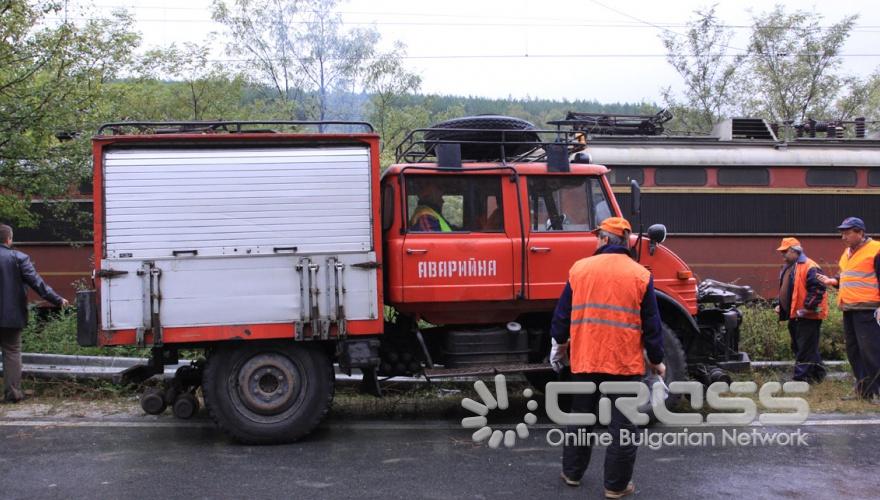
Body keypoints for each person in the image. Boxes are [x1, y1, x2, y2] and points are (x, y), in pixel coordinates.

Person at [550, 217, 665, 499]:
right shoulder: (640, 275)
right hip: (623, 363)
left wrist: (560, 345)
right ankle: (615, 487)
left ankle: (572, 474)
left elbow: (562, 315)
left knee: (580, 418)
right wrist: (657, 360)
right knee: (623, 425)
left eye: (597, 237)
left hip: (586, 359)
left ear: (603, 239)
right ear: (624, 241)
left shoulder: (579, 269)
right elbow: (652, 325)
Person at [0, 224, 68, 403]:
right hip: (10, 316)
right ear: (9, 239)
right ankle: (13, 394)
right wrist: (58, 300)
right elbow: (38, 284)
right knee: (11, 352)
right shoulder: (19, 258)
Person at [817, 217, 880, 403]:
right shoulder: (847, 252)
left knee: (872, 351)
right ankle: (865, 391)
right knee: (854, 351)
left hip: (869, 309)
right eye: (842, 232)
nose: (843, 236)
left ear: (860, 233)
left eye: (847, 232)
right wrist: (834, 281)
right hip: (849, 308)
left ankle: (877, 392)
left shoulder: (876, 250)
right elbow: (845, 276)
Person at [774, 237, 828, 384]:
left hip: (808, 315)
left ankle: (799, 380)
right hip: (795, 314)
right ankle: (818, 375)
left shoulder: (810, 266)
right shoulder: (789, 266)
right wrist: (781, 305)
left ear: (793, 251)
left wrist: (807, 308)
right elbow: (789, 290)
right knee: (802, 346)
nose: (782, 255)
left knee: (804, 348)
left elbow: (818, 289)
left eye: (784, 252)